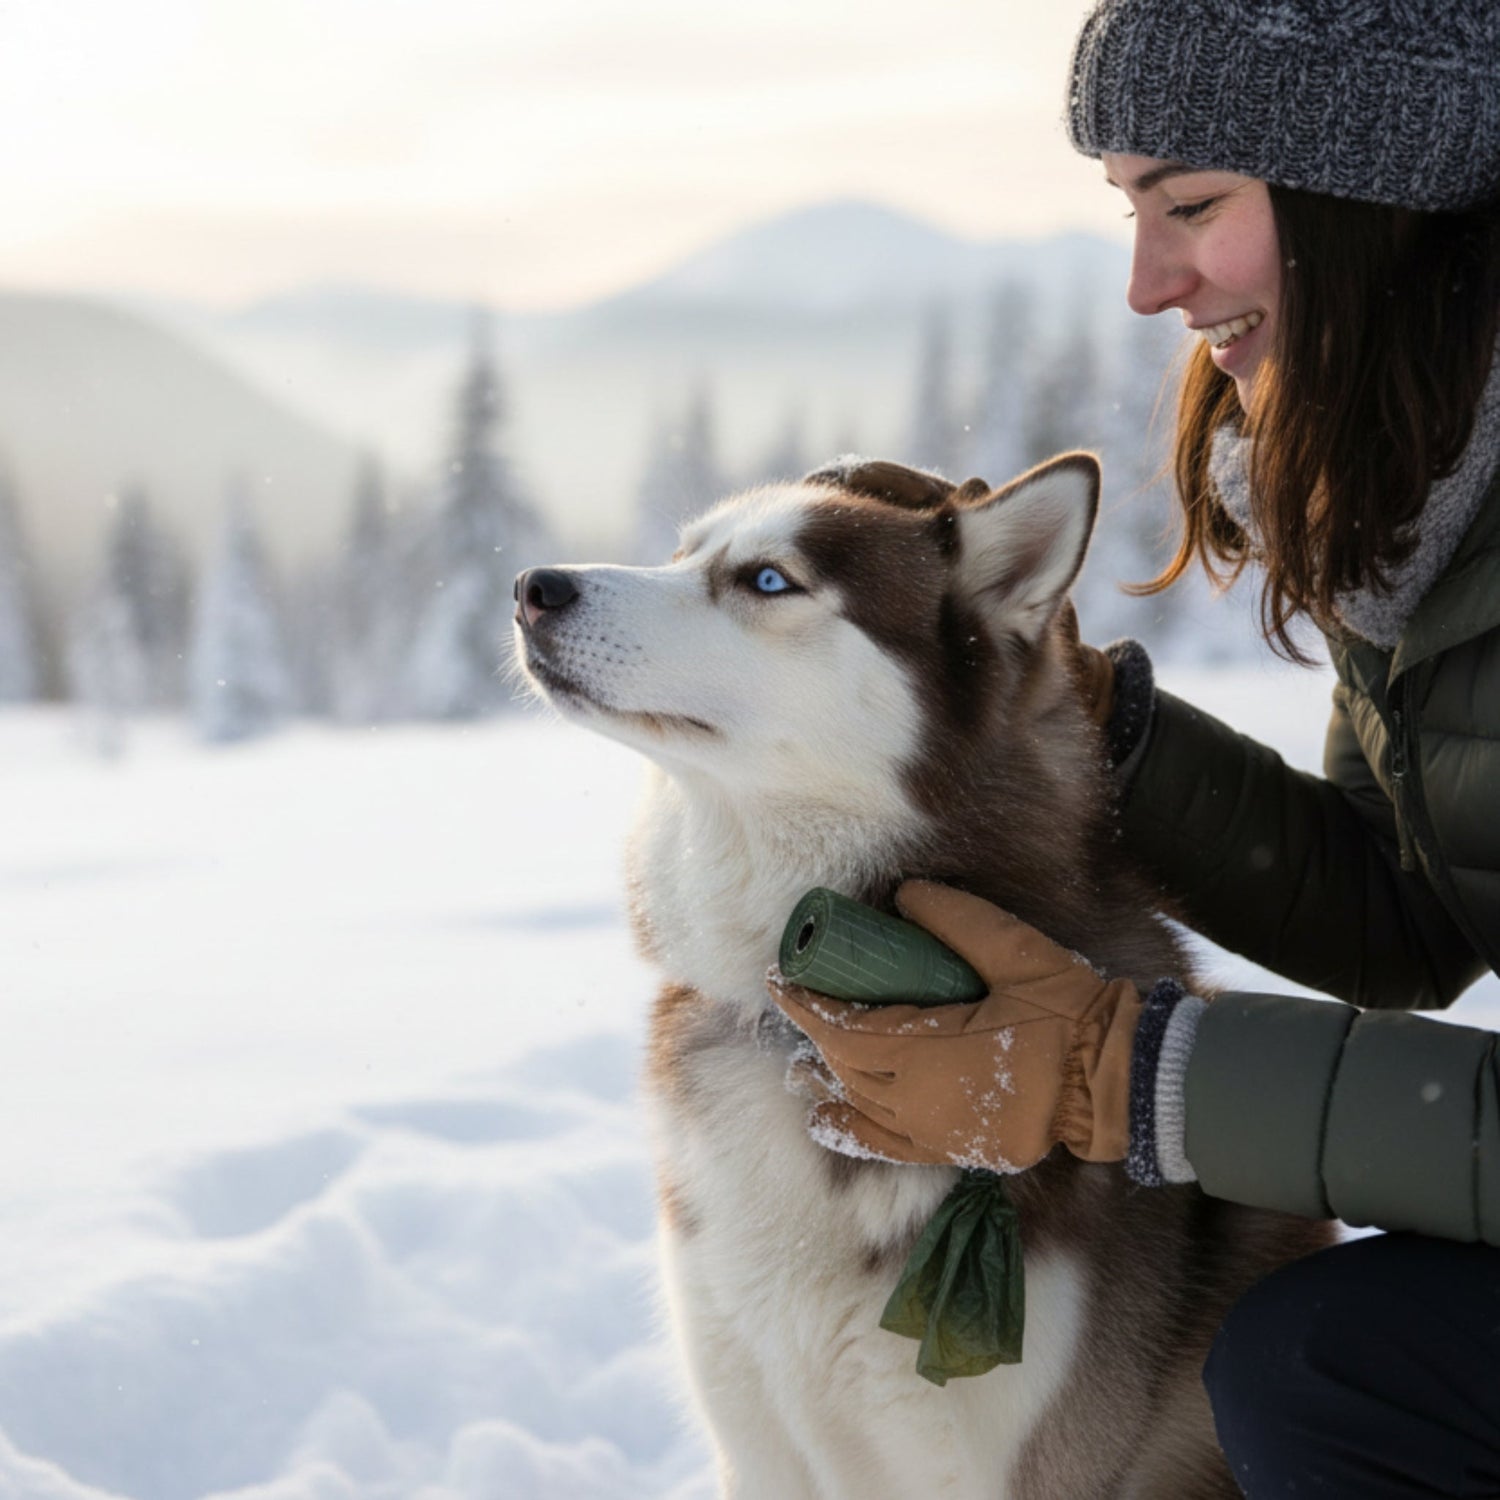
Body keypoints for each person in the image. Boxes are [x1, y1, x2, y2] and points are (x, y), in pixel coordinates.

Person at [770, 2, 1500, 1495]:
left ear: (1373, 197)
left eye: (1193, 204)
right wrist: (1074, 715)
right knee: (1328, 1362)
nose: (1148, 282)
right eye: (1129, 210)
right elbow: (1408, 915)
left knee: (1334, 1371)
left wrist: (1130, 1078)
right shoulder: (1435, 495)